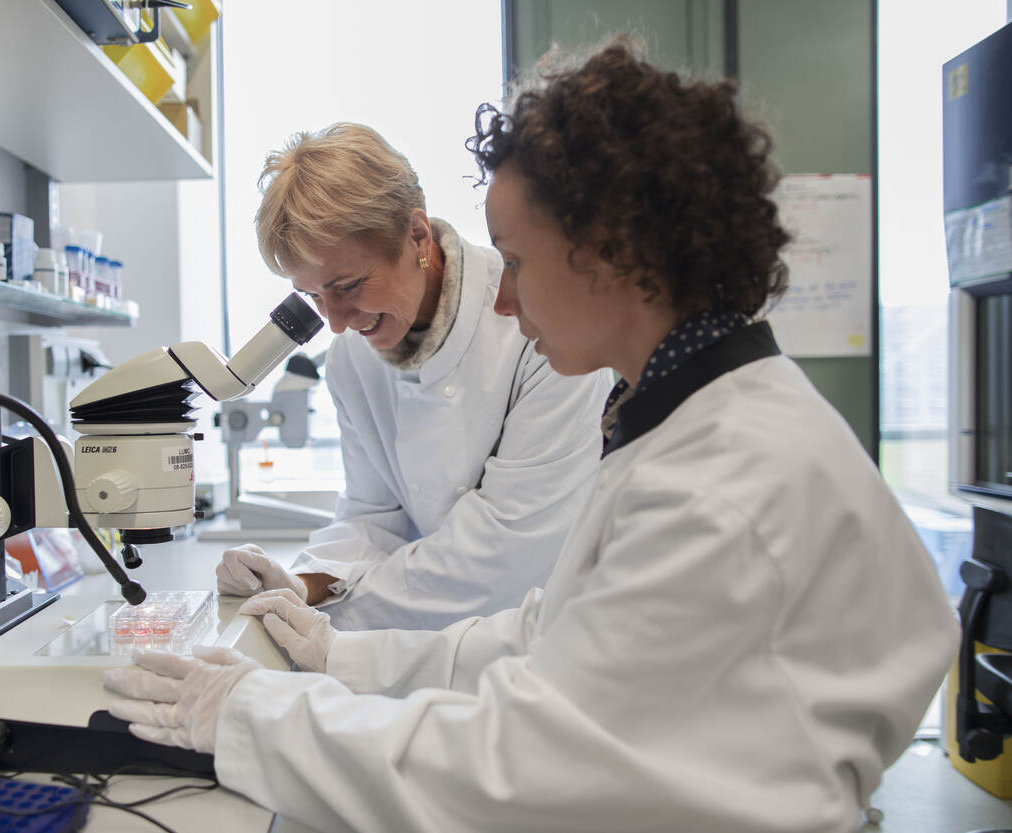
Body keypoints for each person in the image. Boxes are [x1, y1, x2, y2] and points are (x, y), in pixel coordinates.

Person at [104, 40, 958, 832]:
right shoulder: (690, 425)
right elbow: (545, 634)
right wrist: (340, 649)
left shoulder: (721, 484)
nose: (503, 299)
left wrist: (255, 715)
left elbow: (520, 763)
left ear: (612, 250)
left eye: (514, 259)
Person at [215, 122, 613, 630]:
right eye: (314, 296)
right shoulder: (351, 359)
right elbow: (372, 517)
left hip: (548, 635)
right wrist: (301, 585)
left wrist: (329, 615)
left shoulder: (536, 328)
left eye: (349, 286)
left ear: (418, 236)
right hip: (430, 644)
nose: (335, 322)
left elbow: (507, 552)